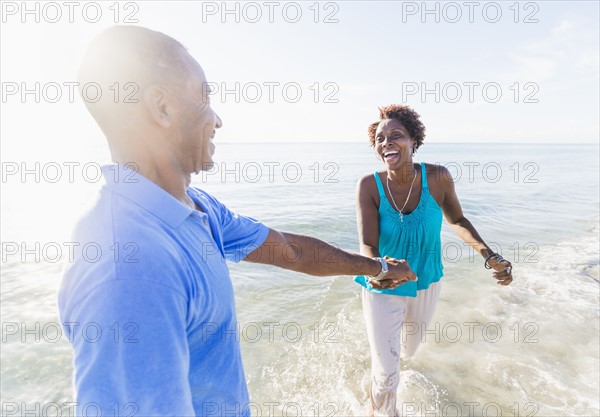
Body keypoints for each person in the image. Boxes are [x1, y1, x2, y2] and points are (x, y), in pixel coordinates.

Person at [57, 26, 416, 417]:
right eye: (204, 98)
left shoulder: (196, 208)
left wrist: (378, 267)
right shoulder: (129, 267)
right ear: (161, 107)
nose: (217, 119)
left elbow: (292, 251)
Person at [354, 104, 514, 416]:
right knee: (387, 373)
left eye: (396, 135)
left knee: (406, 352)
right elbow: (367, 244)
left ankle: (377, 375)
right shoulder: (369, 186)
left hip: (427, 281)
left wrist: (490, 256)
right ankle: (381, 404)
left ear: (414, 140)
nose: (386, 142)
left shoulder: (438, 178)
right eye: (380, 138)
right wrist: (377, 271)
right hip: (382, 284)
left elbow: (457, 221)